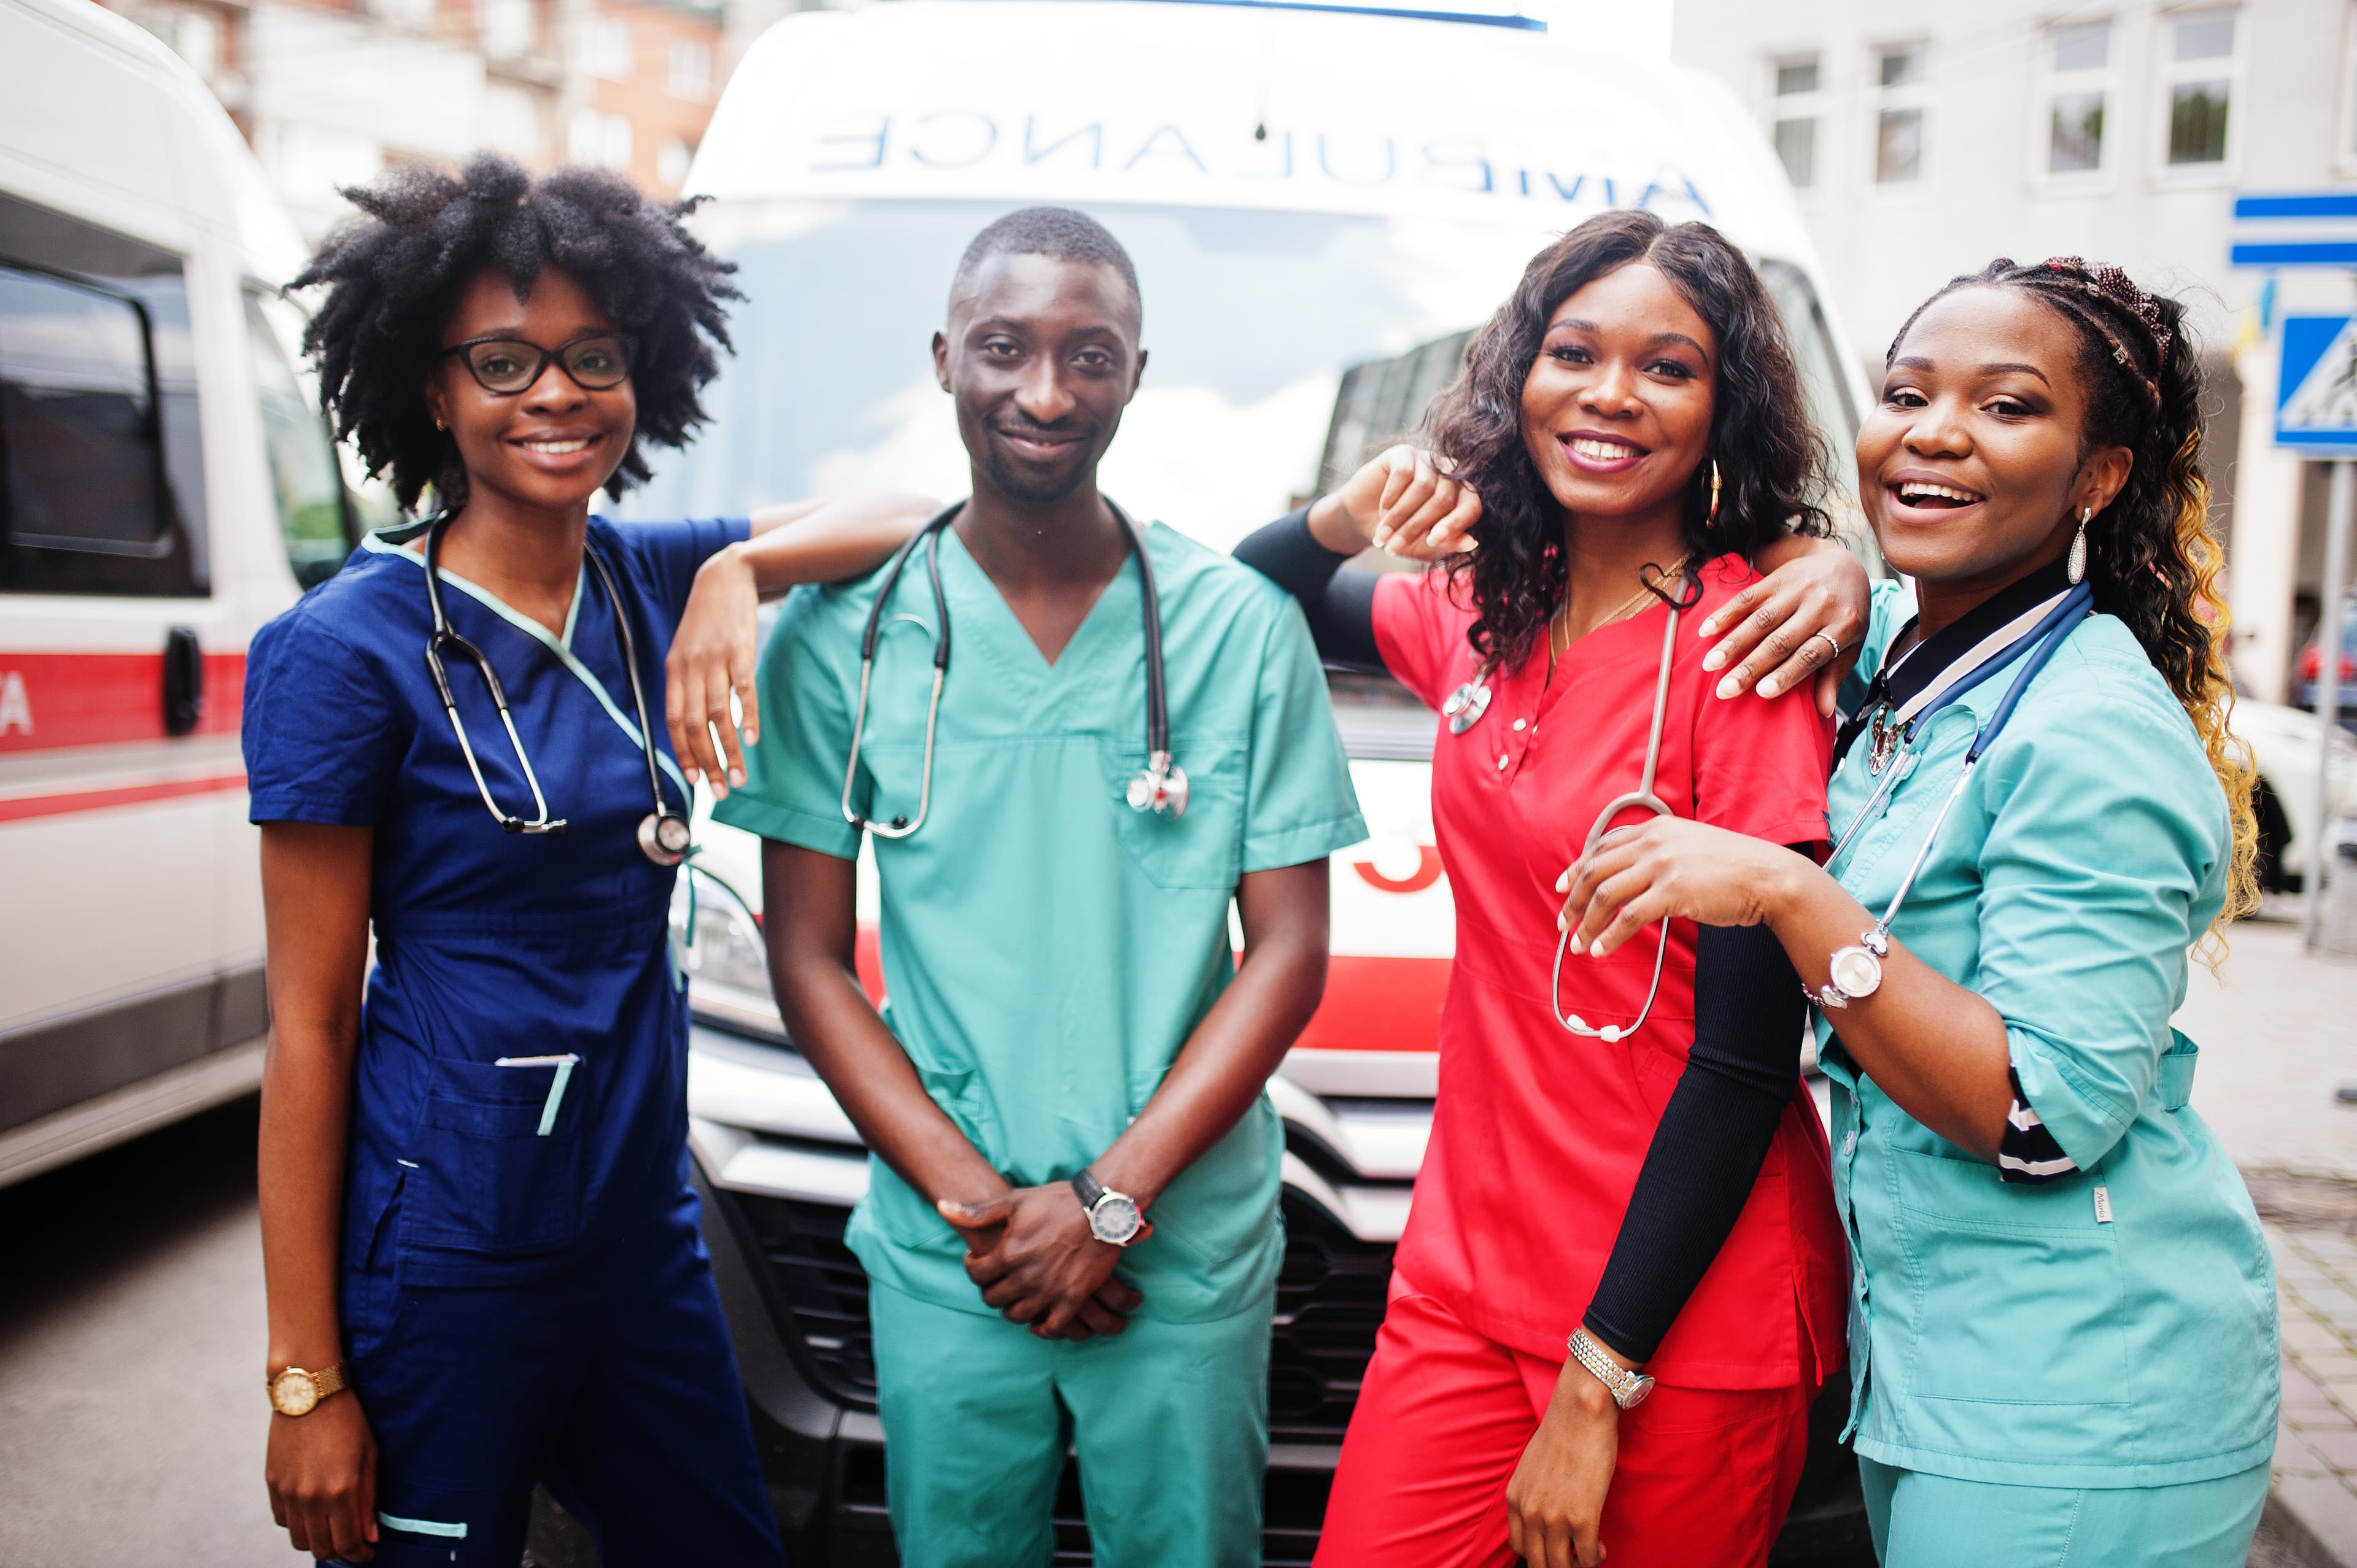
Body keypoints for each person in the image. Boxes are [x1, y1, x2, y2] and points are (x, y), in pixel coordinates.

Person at [246, 153, 934, 1565]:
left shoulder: (646, 574)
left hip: (639, 1240)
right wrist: (306, 1379)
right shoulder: (344, 655)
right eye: (502, 361)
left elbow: (929, 509)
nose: (555, 395)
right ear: (430, 390)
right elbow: (308, 1029)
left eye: (593, 358)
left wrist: (750, 572)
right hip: (449, 1255)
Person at [1557, 257, 2280, 1567]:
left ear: (2100, 476)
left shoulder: (2093, 737)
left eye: (2007, 408)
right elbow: (1774, 555)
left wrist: (1787, 891)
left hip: (2082, 1409)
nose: (1938, 430)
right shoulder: (1908, 647)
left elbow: (2043, 1119)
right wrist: (1834, 566)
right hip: (1944, 1379)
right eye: (1907, 394)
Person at [713, 206, 1365, 1567]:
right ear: (946, 357)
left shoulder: (1235, 628)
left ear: (1137, 373)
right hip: (956, 1246)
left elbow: (1289, 953)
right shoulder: (845, 636)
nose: (1045, 391)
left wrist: (1111, 1203)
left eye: (1091, 354)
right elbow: (807, 959)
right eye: (1005, 349)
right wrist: (985, 1213)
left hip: (1175, 1244)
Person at [1234, 209, 1872, 1568]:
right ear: (1518, 372)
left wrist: (1602, 1379)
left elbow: (1749, 1065)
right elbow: (1248, 603)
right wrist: (1347, 512)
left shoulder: (1745, 651)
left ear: (1725, 410)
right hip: (1467, 1277)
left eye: (1668, 367)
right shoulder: (1481, 610)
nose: (1610, 396)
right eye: (1575, 351)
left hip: (1681, 1318)